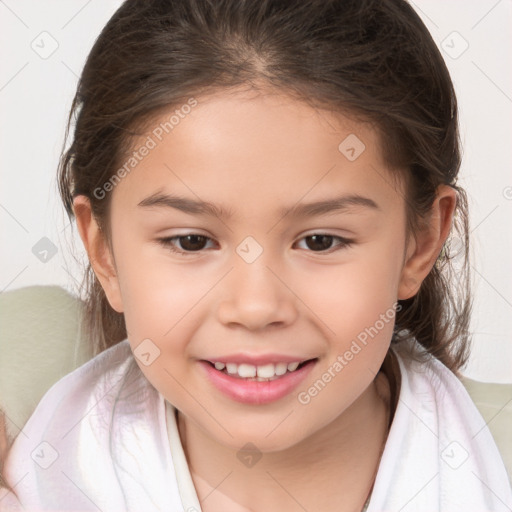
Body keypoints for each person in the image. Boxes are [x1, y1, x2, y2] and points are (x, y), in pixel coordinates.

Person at [1, 0, 511, 510]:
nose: (256, 307)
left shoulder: (497, 458)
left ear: (419, 243)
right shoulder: (24, 398)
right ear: (103, 250)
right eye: (191, 241)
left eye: (320, 241)